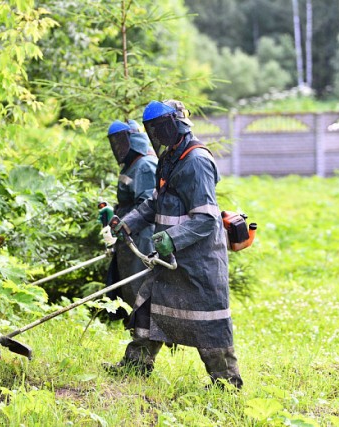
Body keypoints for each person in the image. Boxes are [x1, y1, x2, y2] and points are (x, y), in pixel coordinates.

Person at [104, 100, 243, 389]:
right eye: (153, 129)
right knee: (149, 308)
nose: (158, 134)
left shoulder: (196, 161)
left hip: (198, 260)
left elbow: (206, 219)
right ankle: (136, 366)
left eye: (162, 127)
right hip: (167, 258)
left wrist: (173, 238)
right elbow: (155, 202)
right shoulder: (169, 158)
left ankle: (227, 383)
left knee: (209, 322)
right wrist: (129, 223)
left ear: (178, 123)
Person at [99, 120, 157, 321]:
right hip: (128, 234)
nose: (117, 147)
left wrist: (124, 222)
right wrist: (113, 214)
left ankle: (143, 330)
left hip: (142, 237)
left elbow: (148, 206)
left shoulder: (145, 165)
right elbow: (128, 202)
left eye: (120, 141)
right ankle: (135, 328)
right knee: (128, 287)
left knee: (139, 285)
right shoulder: (132, 166)